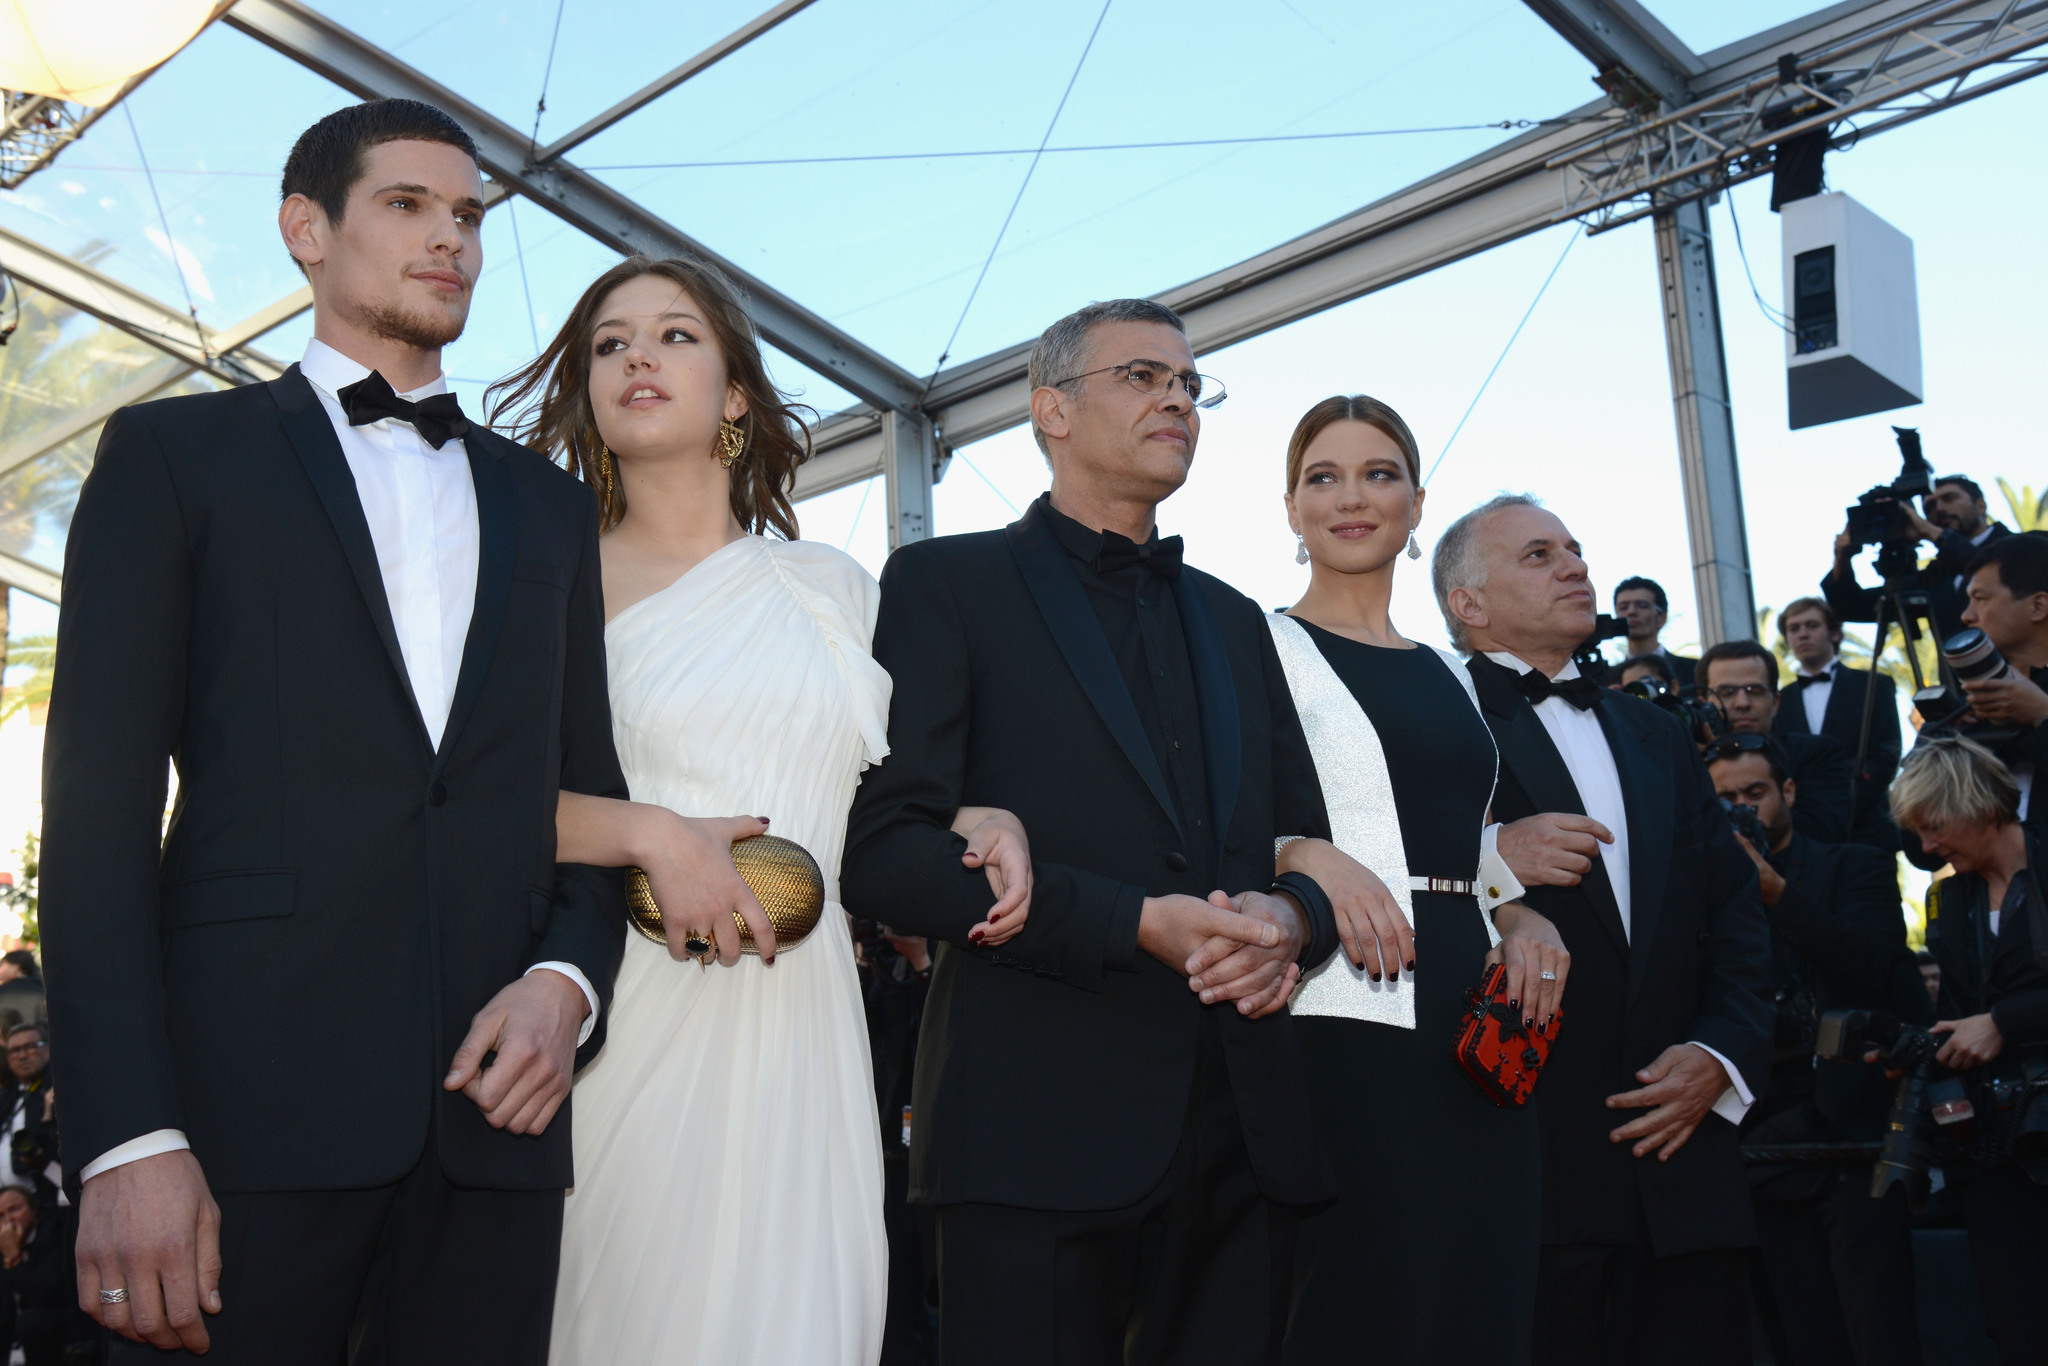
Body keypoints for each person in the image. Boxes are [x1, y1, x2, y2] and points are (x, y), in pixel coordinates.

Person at [41, 99, 631, 1362]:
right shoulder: (172, 456)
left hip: (496, 1128)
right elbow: (93, 815)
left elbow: (582, 795)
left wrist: (568, 983)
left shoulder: (550, 507)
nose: (453, 241)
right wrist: (131, 1136)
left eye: (469, 215)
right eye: (409, 207)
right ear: (305, 229)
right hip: (238, 1123)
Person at [485, 255, 1029, 1365]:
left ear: (736, 394)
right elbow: (475, 809)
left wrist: (981, 814)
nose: (637, 354)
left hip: (805, 1019)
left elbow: (883, 792)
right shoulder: (544, 587)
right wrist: (645, 832)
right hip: (629, 1003)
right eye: (609, 342)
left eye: (676, 335)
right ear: (587, 392)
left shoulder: (831, 585)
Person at [843, 298, 1362, 1365]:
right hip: (1032, 1129)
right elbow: (887, 851)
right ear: (1051, 411)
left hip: (1241, 1136)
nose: (1176, 396)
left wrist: (1286, 919)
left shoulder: (1232, 618)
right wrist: (1131, 921)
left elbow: (1304, 841)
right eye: (1140, 376)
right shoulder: (945, 584)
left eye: (1188, 382)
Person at [1435, 494, 1773, 1366]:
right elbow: (1372, 871)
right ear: (1467, 605)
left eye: (1575, 550)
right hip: (1523, 1176)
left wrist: (1723, 1057)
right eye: (1539, 555)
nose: (1576, 567)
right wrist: (1490, 861)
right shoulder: (1426, 719)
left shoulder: (1656, 733)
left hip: (1688, 1168)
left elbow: (1734, 917)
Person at [1268, 397, 1568, 1364]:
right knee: (1363, 1299)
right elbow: (1203, 821)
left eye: (1379, 473)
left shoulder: (1454, 670)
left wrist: (1519, 915)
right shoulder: (1252, 647)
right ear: (1290, 507)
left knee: (1482, 1294)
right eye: (1325, 476)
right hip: (1334, 1006)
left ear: (1416, 503)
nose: (1352, 497)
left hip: (1477, 1015)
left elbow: (1466, 836)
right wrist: (1298, 853)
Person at [1707, 737, 1927, 1366]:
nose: (1745, 808)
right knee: (1802, 1332)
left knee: (1879, 1328)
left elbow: (1876, 967)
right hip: (1761, 1140)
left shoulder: (1853, 865)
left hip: (1854, 1131)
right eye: (1725, 798)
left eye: (1756, 793)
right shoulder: (1703, 889)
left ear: (1789, 793)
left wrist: (1777, 895)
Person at [1891, 736, 2048, 1366]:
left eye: (1933, 827)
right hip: (1993, 1144)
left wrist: (2004, 1022)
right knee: (2015, 1321)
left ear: (1975, 802)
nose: (1926, 849)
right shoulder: (1947, 898)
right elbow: (1961, 1012)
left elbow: (1992, 1016)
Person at [1700, 639, 1854, 843]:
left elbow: (1824, 831)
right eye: (1726, 693)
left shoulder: (1818, 754)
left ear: (1775, 702)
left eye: (1754, 691)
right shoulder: (1688, 765)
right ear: (1704, 704)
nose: (1742, 703)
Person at [1776, 596, 1902, 847]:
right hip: (1803, 836)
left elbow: (1887, 753)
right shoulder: (1779, 701)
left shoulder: (1874, 685)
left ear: (1834, 633)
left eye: (1812, 626)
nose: (1802, 634)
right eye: (1794, 628)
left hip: (1868, 830)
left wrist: (1847, 805)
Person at [1825, 474, 2010, 642]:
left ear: (1980, 505)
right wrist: (1842, 559)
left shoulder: (2026, 545)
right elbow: (1849, 607)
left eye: (1949, 498)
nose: (1939, 509)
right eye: (1929, 506)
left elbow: (1997, 574)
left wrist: (1932, 533)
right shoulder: (1936, 575)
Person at [0, 1024, 58, 1210]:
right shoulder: (8, 1096)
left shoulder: (59, 1090)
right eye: (15, 1051)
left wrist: (44, 1159)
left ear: (47, 1049)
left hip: (50, 1203)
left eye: (30, 1047)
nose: (22, 1055)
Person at [1613, 577, 1696, 686]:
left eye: (1642, 605)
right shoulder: (1608, 678)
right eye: (1623, 607)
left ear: (1661, 618)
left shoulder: (1693, 670)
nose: (1631, 612)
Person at [0, 952, 44, 1030]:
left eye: (2, 964)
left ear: (16, 967)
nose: (1, 970)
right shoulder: (42, 991)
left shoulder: (4, 991)